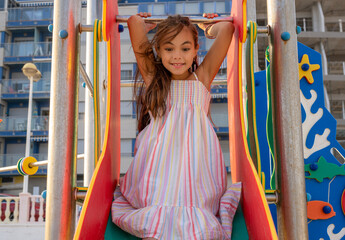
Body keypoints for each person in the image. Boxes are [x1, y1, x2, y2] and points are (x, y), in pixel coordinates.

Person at [112, 12, 241, 240]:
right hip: (160, 162)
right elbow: (134, 23)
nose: (177, 56)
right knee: (160, 207)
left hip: (195, 163)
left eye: (185, 48)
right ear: (159, 52)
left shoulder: (202, 77)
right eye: (169, 49)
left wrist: (208, 26)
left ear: (195, 51)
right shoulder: (154, 78)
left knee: (193, 206)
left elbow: (228, 30)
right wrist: (146, 25)